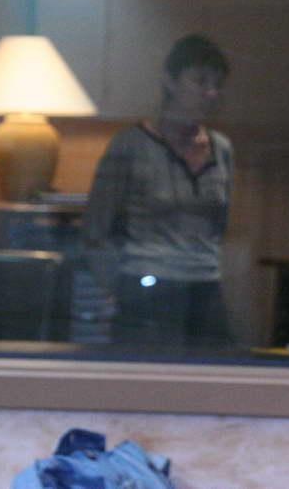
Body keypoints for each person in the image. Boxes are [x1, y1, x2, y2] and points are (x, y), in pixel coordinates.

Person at [83, 33, 234, 346]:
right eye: (200, 81)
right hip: (147, 282)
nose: (210, 93)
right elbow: (97, 227)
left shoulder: (221, 149)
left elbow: (220, 224)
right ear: (170, 81)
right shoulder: (131, 145)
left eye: (217, 85)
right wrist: (114, 286)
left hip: (205, 283)